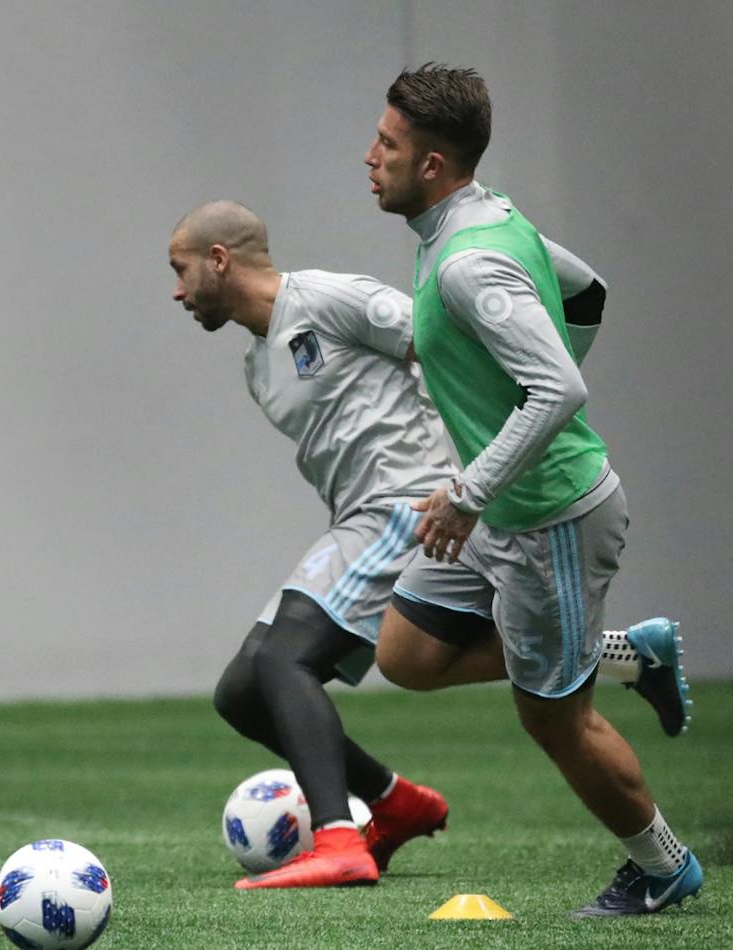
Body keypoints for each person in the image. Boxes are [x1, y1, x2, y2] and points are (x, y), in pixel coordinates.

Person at [168, 202, 690, 890]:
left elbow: (449, 349)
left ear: (220, 259)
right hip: (357, 515)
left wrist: (477, 475)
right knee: (241, 691)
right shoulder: (257, 366)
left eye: (179, 270)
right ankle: (396, 799)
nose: (176, 291)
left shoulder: (330, 299)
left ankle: (337, 838)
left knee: (284, 660)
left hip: (413, 502)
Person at [365, 63, 701, 916]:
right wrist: (499, 437)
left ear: (433, 165)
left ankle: (665, 865)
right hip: (503, 511)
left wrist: (474, 485)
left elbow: (558, 389)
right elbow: (587, 290)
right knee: (404, 653)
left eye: (388, 144)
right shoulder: (484, 218)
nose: (369, 156)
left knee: (555, 719)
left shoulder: (468, 264)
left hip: (551, 519)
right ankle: (629, 651)